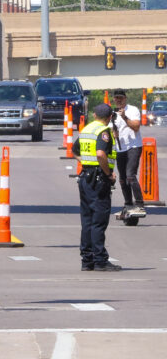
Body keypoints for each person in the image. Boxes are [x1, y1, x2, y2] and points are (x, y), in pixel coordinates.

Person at [72, 104, 121, 271]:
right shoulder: (103, 131)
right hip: (99, 179)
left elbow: (74, 150)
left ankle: (87, 260)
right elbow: (101, 154)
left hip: (85, 177)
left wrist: (86, 162)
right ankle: (100, 260)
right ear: (109, 118)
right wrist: (108, 173)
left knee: (87, 220)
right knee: (99, 221)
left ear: (94, 115)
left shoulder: (87, 129)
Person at [111, 89, 145, 218]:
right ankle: (128, 205)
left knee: (130, 176)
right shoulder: (112, 113)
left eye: (121, 98)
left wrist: (124, 116)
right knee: (122, 179)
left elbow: (136, 127)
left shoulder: (133, 110)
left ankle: (140, 204)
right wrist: (113, 133)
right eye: (116, 98)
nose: (119, 100)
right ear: (114, 99)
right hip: (120, 148)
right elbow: (110, 129)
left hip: (134, 146)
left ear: (125, 98)